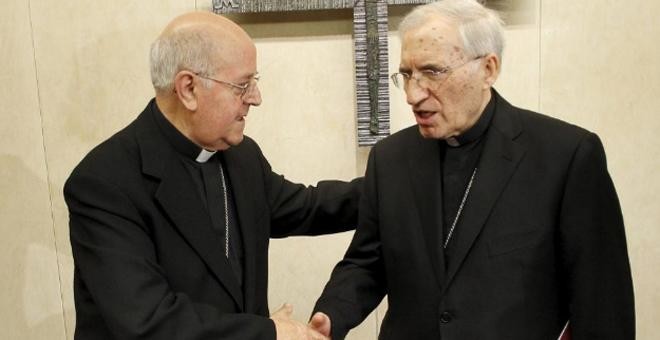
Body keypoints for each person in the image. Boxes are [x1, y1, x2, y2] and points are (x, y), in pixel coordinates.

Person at [310, 0, 635, 339]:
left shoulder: (566, 156)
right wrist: (332, 314)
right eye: (407, 75)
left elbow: (603, 304)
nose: (412, 94)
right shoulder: (390, 158)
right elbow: (368, 262)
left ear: (488, 69)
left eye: (432, 72)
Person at [64, 11, 361, 340]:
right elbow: (149, 323)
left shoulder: (240, 156)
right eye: (242, 85)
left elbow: (308, 207)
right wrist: (270, 333)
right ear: (188, 88)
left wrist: (389, 184)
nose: (256, 98)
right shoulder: (104, 183)